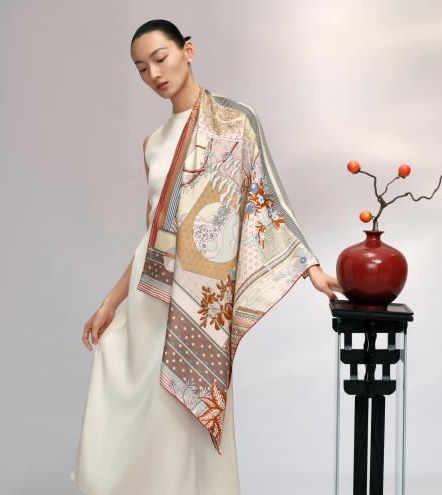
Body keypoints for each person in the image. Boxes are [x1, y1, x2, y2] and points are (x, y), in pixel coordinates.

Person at [70, 19, 343, 494]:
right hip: (151, 300)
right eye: (141, 68)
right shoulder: (152, 144)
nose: (154, 74)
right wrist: (110, 302)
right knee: (140, 419)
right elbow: (153, 238)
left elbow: (266, 198)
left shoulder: (235, 123)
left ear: (188, 51)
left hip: (197, 303)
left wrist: (310, 267)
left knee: (183, 421)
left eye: (160, 58)